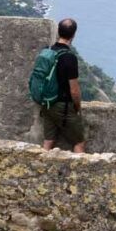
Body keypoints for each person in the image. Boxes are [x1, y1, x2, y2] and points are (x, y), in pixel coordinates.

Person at [41, 18, 86, 154]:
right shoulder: (69, 58)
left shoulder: (47, 51)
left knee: (48, 141)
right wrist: (77, 107)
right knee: (79, 142)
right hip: (63, 107)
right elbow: (74, 90)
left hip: (47, 103)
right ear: (73, 35)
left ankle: (40, 166)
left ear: (58, 32)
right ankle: (80, 173)